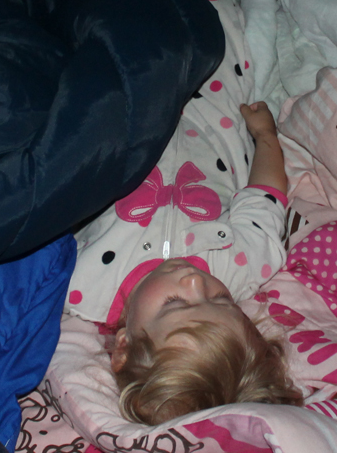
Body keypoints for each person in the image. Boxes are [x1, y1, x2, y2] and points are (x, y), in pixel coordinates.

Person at [104, 101, 303, 425]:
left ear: (124, 347)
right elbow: (265, 198)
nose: (196, 282)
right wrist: (266, 135)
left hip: (122, 115)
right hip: (215, 103)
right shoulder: (243, 265)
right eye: (222, 300)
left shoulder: (81, 283)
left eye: (174, 304)